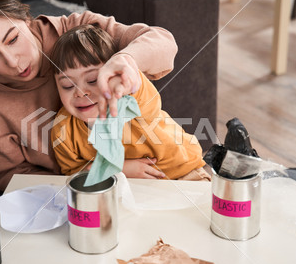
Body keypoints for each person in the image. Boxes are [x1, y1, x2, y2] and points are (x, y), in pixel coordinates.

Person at [0, 0, 178, 190]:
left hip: (156, 171)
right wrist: (104, 170)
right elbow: (12, 182)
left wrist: (127, 58)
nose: (13, 62)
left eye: (13, 39)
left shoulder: (79, 32)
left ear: (26, 18)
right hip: (80, 197)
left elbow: (163, 42)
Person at [50, 24, 210, 181]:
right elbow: (72, 175)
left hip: (183, 173)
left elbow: (138, 89)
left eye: (92, 80)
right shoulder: (62, 128)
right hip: (129, 188)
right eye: (67, 85)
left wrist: (124, 82)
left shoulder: (130, 99)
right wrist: (119, 168)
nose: (80, 92)